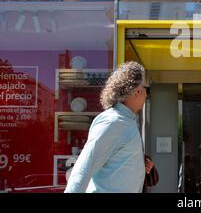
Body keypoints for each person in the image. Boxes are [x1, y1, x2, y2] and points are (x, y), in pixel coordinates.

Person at [65, 61, 154, 193]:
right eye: (147, 89)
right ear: (137, 91)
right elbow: (84, 168)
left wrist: (139, 163)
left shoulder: (125, 121)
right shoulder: (113, 122)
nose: (147, 95)